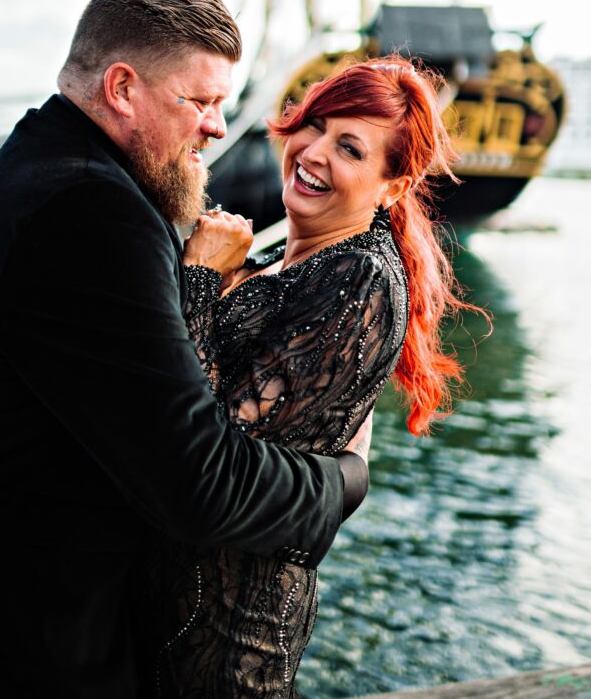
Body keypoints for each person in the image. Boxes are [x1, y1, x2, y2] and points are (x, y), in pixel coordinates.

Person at [0, 0, 370, 699]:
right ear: (122, 87)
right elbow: (200, 484)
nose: (220, 128)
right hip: (42, 657)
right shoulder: (89, 213)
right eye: (199, 101)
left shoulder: (47, 168)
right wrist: (343, 479)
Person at [150, 57, 476, 697]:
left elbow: (208, 444)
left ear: (391, 185)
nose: (314, 152)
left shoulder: (357, 280)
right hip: (172, 608)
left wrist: (198, 278)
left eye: (349, 147)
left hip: (227, 636)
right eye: (316, 126)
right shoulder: (291, 256)